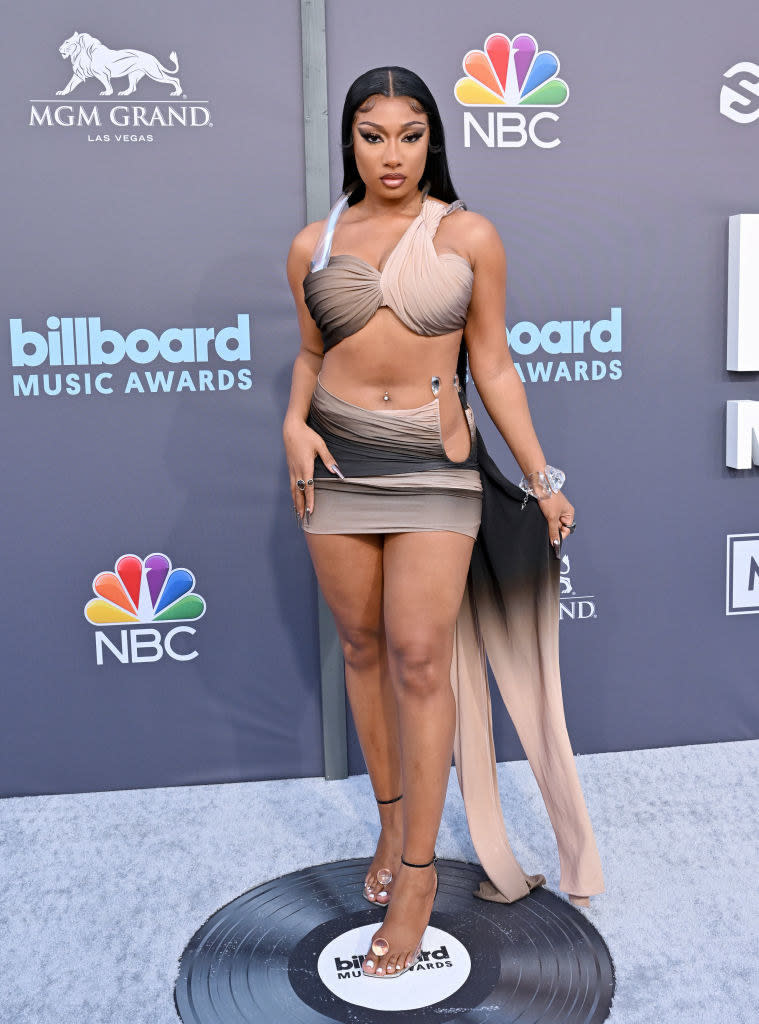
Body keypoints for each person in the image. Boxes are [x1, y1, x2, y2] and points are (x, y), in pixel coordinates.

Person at [283, 65, 604, 981]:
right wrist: (291, 420)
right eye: (373, 134)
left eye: (410, 134)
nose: (392, 153)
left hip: (433, 465)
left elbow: (493, 364)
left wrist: (541, 479)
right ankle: (389, 824)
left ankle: (418, 876)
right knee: (360, 648)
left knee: (419, 658)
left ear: (434, 140)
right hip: (336, 464)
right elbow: (311, 352)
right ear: (347, 139)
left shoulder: (468, 235)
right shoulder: (314, 242)